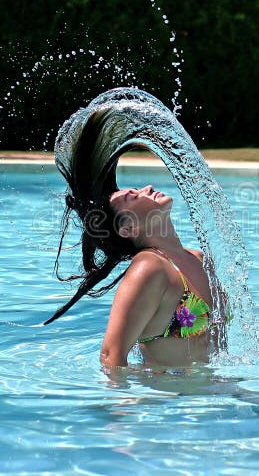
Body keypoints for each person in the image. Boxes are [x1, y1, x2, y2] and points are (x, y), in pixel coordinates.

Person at [43, 106, 226, 368]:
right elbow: (110, 355)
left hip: (214, 393)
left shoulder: (197, 259)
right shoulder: (149, 268)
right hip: (169, 401)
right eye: (133, 195)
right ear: (128, 228)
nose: (147, 188)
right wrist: (125, 407)